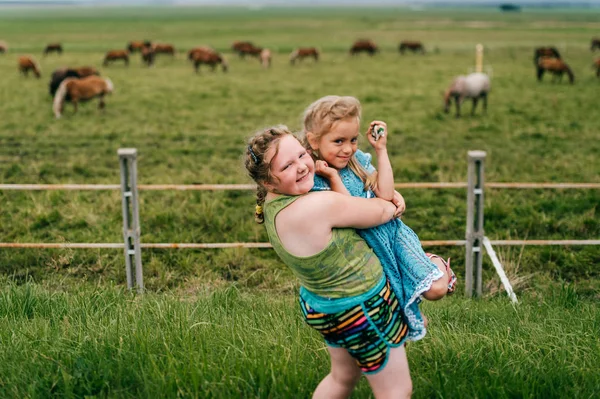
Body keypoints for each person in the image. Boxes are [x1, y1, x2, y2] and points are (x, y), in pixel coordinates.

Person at [246, 126, 413, 398]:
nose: (301, 166)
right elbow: (383, 210)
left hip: (325, 306)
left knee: (342, 377)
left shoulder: (274, 206)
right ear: (268, 182)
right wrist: (391, 195)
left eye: (301, 155)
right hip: (363, 309)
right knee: (397, 390)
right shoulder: (317, 206)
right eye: (288, 165)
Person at [301, 95, 457, 341]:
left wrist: (381, 150)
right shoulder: (315, 179)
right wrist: (332, 178)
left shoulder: (358, 161)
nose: (348, 148)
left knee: (437, 289)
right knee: (394, 323)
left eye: (353, 139)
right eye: (338, 141)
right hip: (367, 250)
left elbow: (384, 193)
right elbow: (349, 211)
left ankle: (433, 261)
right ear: (314, 140)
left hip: (393, 234)